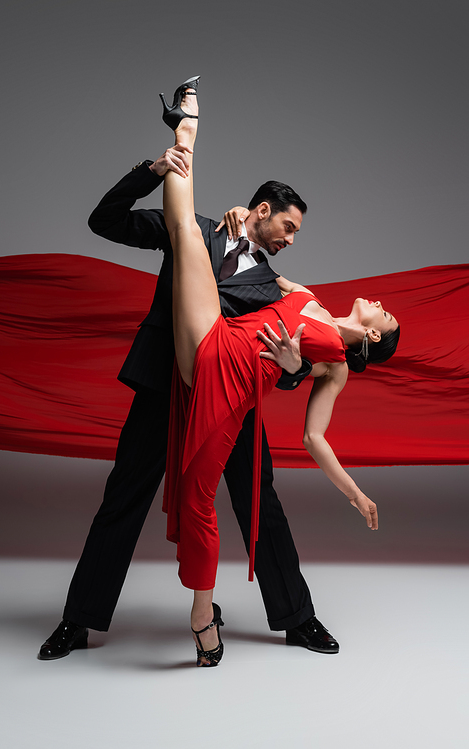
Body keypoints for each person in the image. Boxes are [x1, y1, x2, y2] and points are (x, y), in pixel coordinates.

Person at [39, 82, 340, 661]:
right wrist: (155, 168)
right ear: (262, 211)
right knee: (122, 496)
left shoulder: (275, 286)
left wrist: (296, 371)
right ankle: (78, 621)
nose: (292, 240)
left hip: (229, 399)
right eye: (290, 228)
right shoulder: (193, 229)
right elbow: (104, 221)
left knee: (260, 500)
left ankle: (297, 618)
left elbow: (294, 346)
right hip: (162, 384)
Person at [158, 77, 400, 666]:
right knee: (187, 230)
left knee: (203, 496)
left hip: (229, 383)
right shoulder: (309, 294)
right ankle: (186, 127)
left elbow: (315, 438)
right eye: (289, 226)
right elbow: (257, 273)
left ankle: (204, 614)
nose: (381, 304)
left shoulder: (335, 366)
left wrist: (356, 495)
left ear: (371, 336)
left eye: (386, 318)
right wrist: (241, 220)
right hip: (216, 336)